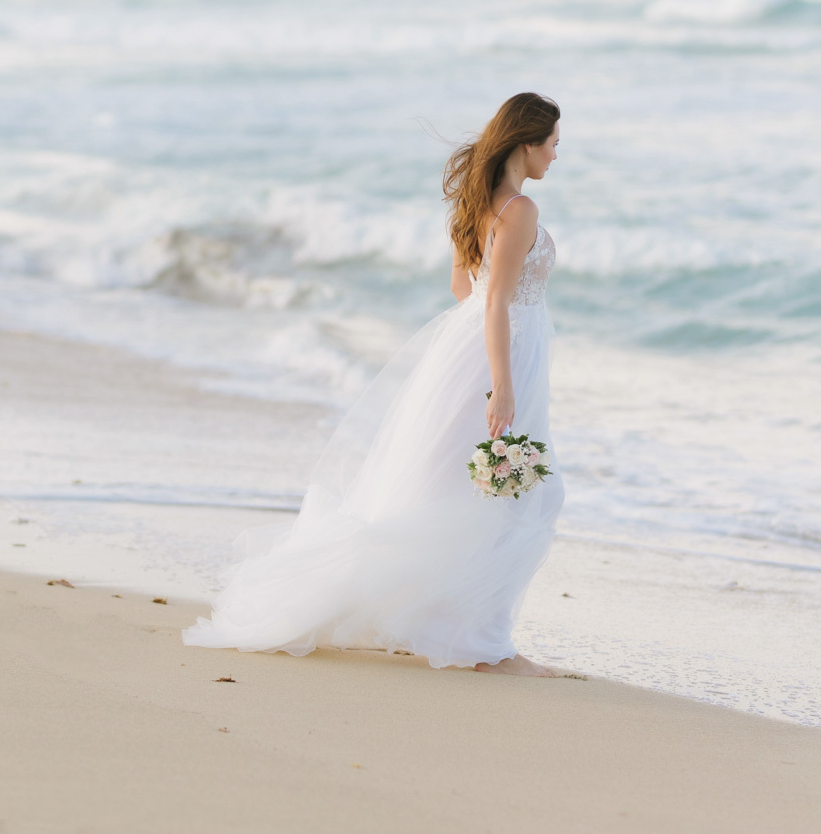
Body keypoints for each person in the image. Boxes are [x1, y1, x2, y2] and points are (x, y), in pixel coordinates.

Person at [183, 91, 565, 675]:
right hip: (501, 357)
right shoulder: (521, 211)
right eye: (553, 144)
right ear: (526, 143)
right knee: (506, 489)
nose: (556, 157)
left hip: (469, 353)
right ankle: (479, 638)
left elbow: (466, 292)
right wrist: (504, 383)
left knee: (462, 484)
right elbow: (494, 305)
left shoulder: (475, 203)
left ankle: (464, 627)